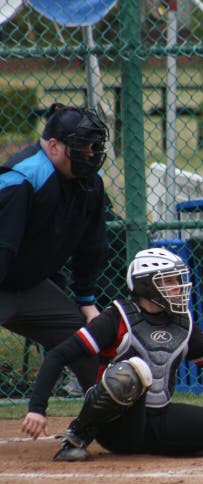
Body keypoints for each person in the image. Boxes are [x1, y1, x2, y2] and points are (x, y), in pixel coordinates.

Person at [21, 248, 203, 461]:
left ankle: (174, 444)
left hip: (158, 418)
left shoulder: (182, 322)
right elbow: (58, 355)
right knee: (132, 370)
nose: (178, 287)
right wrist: (37, 408)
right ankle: (76, 437)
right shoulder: (117, 318)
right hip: (115, 426)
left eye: (178, 280)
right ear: (146, 285)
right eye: (169, 281)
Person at [0, 103, 110, 393]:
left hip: (28, 286)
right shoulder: (22, 178)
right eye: (82, 146)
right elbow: (3, 246)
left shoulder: (90, 185)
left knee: (85, 341)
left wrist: (86, 299)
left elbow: (91, 245)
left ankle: (105, 414)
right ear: (53, 146)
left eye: (94, 146)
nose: (90, 153)